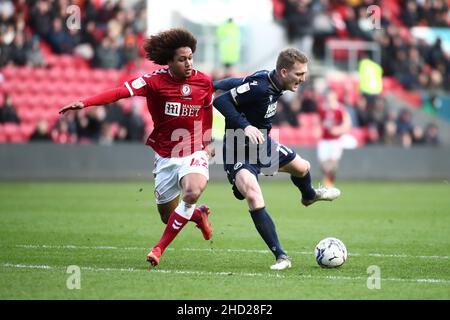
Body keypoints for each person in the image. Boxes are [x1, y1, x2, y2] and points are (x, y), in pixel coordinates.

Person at [59, 28, 215, 267]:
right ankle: (197, 214)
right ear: (169, 61)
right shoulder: (154, 82)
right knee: (168, 217)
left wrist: (207, 142)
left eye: (190, 57)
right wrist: (86, 103)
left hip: (193, 150)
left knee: (192, 191)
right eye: (182, 59)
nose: (188, 63)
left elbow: (206, 111)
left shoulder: (203, 81)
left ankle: (158, 249)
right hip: (165, 155)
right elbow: (120, 92)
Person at [213, 48, 340, 270]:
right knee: (253, 195)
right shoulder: (261, 87)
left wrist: (215, 83)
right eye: (299, 74)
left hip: (262, 144)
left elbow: (240, 82)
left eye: (304, 73)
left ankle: (309, 196)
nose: (303, 79)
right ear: (283, 71)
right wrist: (246, 125)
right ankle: (281, 256)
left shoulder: (271, 81)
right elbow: (221, 102)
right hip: (237, 148)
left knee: (302, 168)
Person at [317, 90, 352, 188]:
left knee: (333, 164)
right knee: (322, 163)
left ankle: (329, 183)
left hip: (335, 141)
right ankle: (327, 181)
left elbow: (347, 124)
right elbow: (319, 122)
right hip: (324, 140)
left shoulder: (340, 109)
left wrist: (339, 130)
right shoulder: (322, 109)